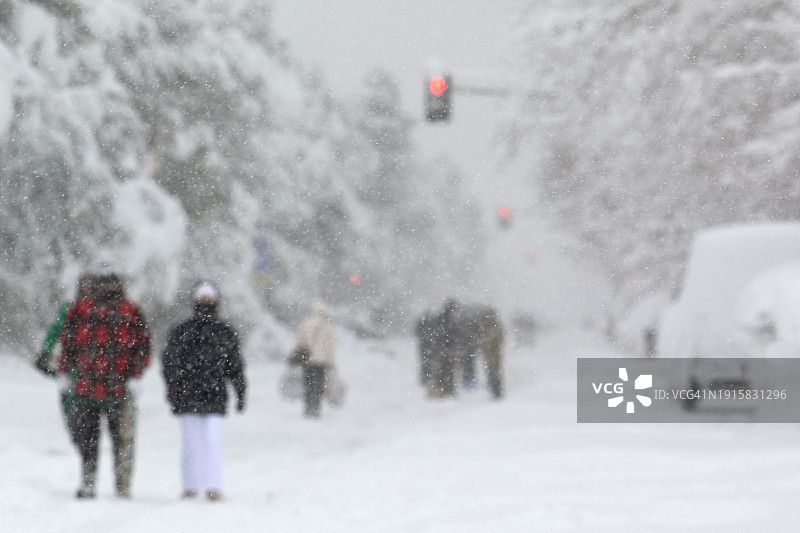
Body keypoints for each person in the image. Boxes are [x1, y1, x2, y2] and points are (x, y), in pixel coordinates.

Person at [58, 273, 151, 499]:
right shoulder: (81, 309)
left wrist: (136, 375)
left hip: (119, 389)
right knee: (88, 440)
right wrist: (64, 370)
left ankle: (122, 486)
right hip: (86, 387)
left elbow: (142, 345)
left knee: (123, 440)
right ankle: (88, 481)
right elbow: (67, 342)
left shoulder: (130, 310)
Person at [161, 281, 247, 502]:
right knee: (190, 441)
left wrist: (241, 391)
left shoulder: (224, 332)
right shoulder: (183, 330)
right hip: (188, 394)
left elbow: (235, 365)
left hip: (215, 394)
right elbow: (170, 362)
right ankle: (190, 485)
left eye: (209, 298)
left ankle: (214, 486)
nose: (206, 303)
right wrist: (173, 385)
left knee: (212, 440)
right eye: (203, 298)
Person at [34, 273, 96, 467]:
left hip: (94, 374)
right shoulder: (69, 309)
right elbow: (54, 331)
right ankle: (80, 442)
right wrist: (45, 351)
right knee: (70, 411)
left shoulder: (101, 312)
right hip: (70, 370)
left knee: (87, 415)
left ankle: (88, 449)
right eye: (83, 285)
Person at [295, 301, 336, 418]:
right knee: (318, 386)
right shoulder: (327, 327)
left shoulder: (305, 323)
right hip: (320, 362)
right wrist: (331, 363)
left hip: (307, 360)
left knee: (307, 384)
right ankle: (316, 409)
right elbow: (330, 347)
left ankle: (307, 408)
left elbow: (300, 342)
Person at [480, 306, 505, 399]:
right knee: (492, 373)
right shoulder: (486, 326)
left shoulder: (495, 326)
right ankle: (495, 390)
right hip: (489, 355)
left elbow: (500, 339)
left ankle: (497, 391)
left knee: (495, 372)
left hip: (494, 354)